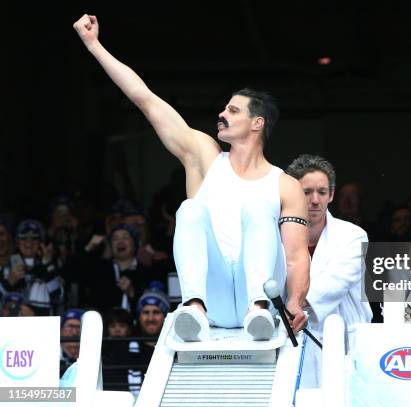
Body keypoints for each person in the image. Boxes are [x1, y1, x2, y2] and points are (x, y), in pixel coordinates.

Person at [73, 14, 309, 341]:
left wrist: (296, 301)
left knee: (258, 211)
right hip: (214, 301)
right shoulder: (204, 156)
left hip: (261, 304)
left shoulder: (285, 184)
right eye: (224, 109)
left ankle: (258, 307)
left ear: (257, 124)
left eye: (233, 111)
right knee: (190, 210)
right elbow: (145, 99)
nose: (221, 114)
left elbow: (297, 256)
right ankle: (194, 307)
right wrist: (93, 45)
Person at [286, 154, 372, 388]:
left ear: (331, 194)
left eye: (322, 192)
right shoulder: (275, 237)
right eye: (306, 192)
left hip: (342, 347)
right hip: (289, 345)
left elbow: (334, 284)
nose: (315, 200)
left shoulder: (353, 236)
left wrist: (292, 303)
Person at [60, 308, 84, 376]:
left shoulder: (93, 356)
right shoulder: (48, 356)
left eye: (78, 327)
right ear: (60, 330)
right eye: (70, 326)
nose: (74, 332)